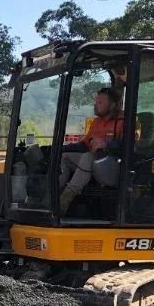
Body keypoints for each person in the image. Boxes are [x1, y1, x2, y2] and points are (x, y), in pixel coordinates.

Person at [59, 87, 124, 215]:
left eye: (100, 102)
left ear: (112, 105)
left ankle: (64, 200)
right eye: (96, 102)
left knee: (89, 157)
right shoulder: (96, 122)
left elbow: (130, 146)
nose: (95, 105)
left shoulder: (124, 121)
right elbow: (84, 144)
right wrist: (59, 148)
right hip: (95, 166)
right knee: (64, 156)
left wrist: (106, 144)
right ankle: (54, 193)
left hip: (115, 169)